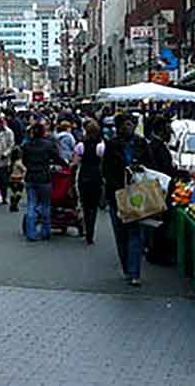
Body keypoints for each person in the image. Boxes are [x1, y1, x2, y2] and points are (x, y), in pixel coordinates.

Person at [102, 114, 150, 287]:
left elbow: (150, 165)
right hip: (118, 193)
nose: (128, 128)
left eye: (131, 124)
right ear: (119, 127)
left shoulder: (141, 143)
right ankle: (126, 268)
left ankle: (135, 272)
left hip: (138, 193)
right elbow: (106, 170)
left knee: (136, 232)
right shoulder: (112, 145)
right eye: (125, 125)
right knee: (121, 233)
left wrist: (140, 169)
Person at [20, 123, 66, 241]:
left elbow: (24, 161)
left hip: (30, 177)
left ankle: (31, 233)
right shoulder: (48, 145)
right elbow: (57, 158)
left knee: (31, 205)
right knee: (45, 204)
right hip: (44, 177)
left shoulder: (26, 146)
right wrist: (65, 165)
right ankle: (45, 231)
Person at [74, 119, 105, 246]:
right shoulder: (101, 146)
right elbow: (103, 162)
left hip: (83, 176)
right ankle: (90, 232)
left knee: (85, 205)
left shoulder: (81, 146)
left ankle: (87, 229)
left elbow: (75, 162)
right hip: (96, 176)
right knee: (93, 206)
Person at [0, 116, 16, 204]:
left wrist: (6, 153)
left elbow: (11, 145)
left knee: (4, 180)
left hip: (4, 159)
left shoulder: (9, 132)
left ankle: (4, 196)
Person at [8, 147, 26, 212]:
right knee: (19, 192)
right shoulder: (19, 162)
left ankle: (12, 204)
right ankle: (15, 204)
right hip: (19, 178)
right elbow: (24, 169)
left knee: (13, 192)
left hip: (12, 178)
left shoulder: (11, 162)